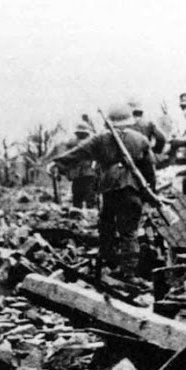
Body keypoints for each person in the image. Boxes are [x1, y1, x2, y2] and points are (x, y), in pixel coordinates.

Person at [49, 103, 155, 285]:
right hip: (133, 190)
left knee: (106, 226)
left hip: (109, 190)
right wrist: (149, 193)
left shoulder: (100, 139)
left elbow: (79, 152)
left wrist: (57, 163)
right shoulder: (140, 139)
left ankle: (109, 264)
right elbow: (149, 169)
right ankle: (129, 274)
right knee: (129, 232)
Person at [49, 122, 97, 208]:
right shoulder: (75, 143)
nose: (80, 135)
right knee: (78, 199)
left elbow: (72, 156)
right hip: (80, 175)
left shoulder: (88, 144)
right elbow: (70, 157)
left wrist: (57, 160)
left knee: (88, 199)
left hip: (87, 174)